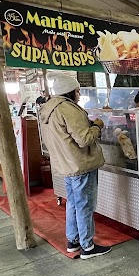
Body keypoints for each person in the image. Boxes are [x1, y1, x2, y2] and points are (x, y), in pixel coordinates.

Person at [40, 74, 111, 259]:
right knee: (85, 205)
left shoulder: (49, 108)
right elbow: (84, 139)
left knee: (73, 203)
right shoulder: (68, 109)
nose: (79, 94)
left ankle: (73, 241)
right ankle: (87, 246)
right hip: (80, 164)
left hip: (66, 164)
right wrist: (97, 126)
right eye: (77, 91)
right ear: (70, 92)